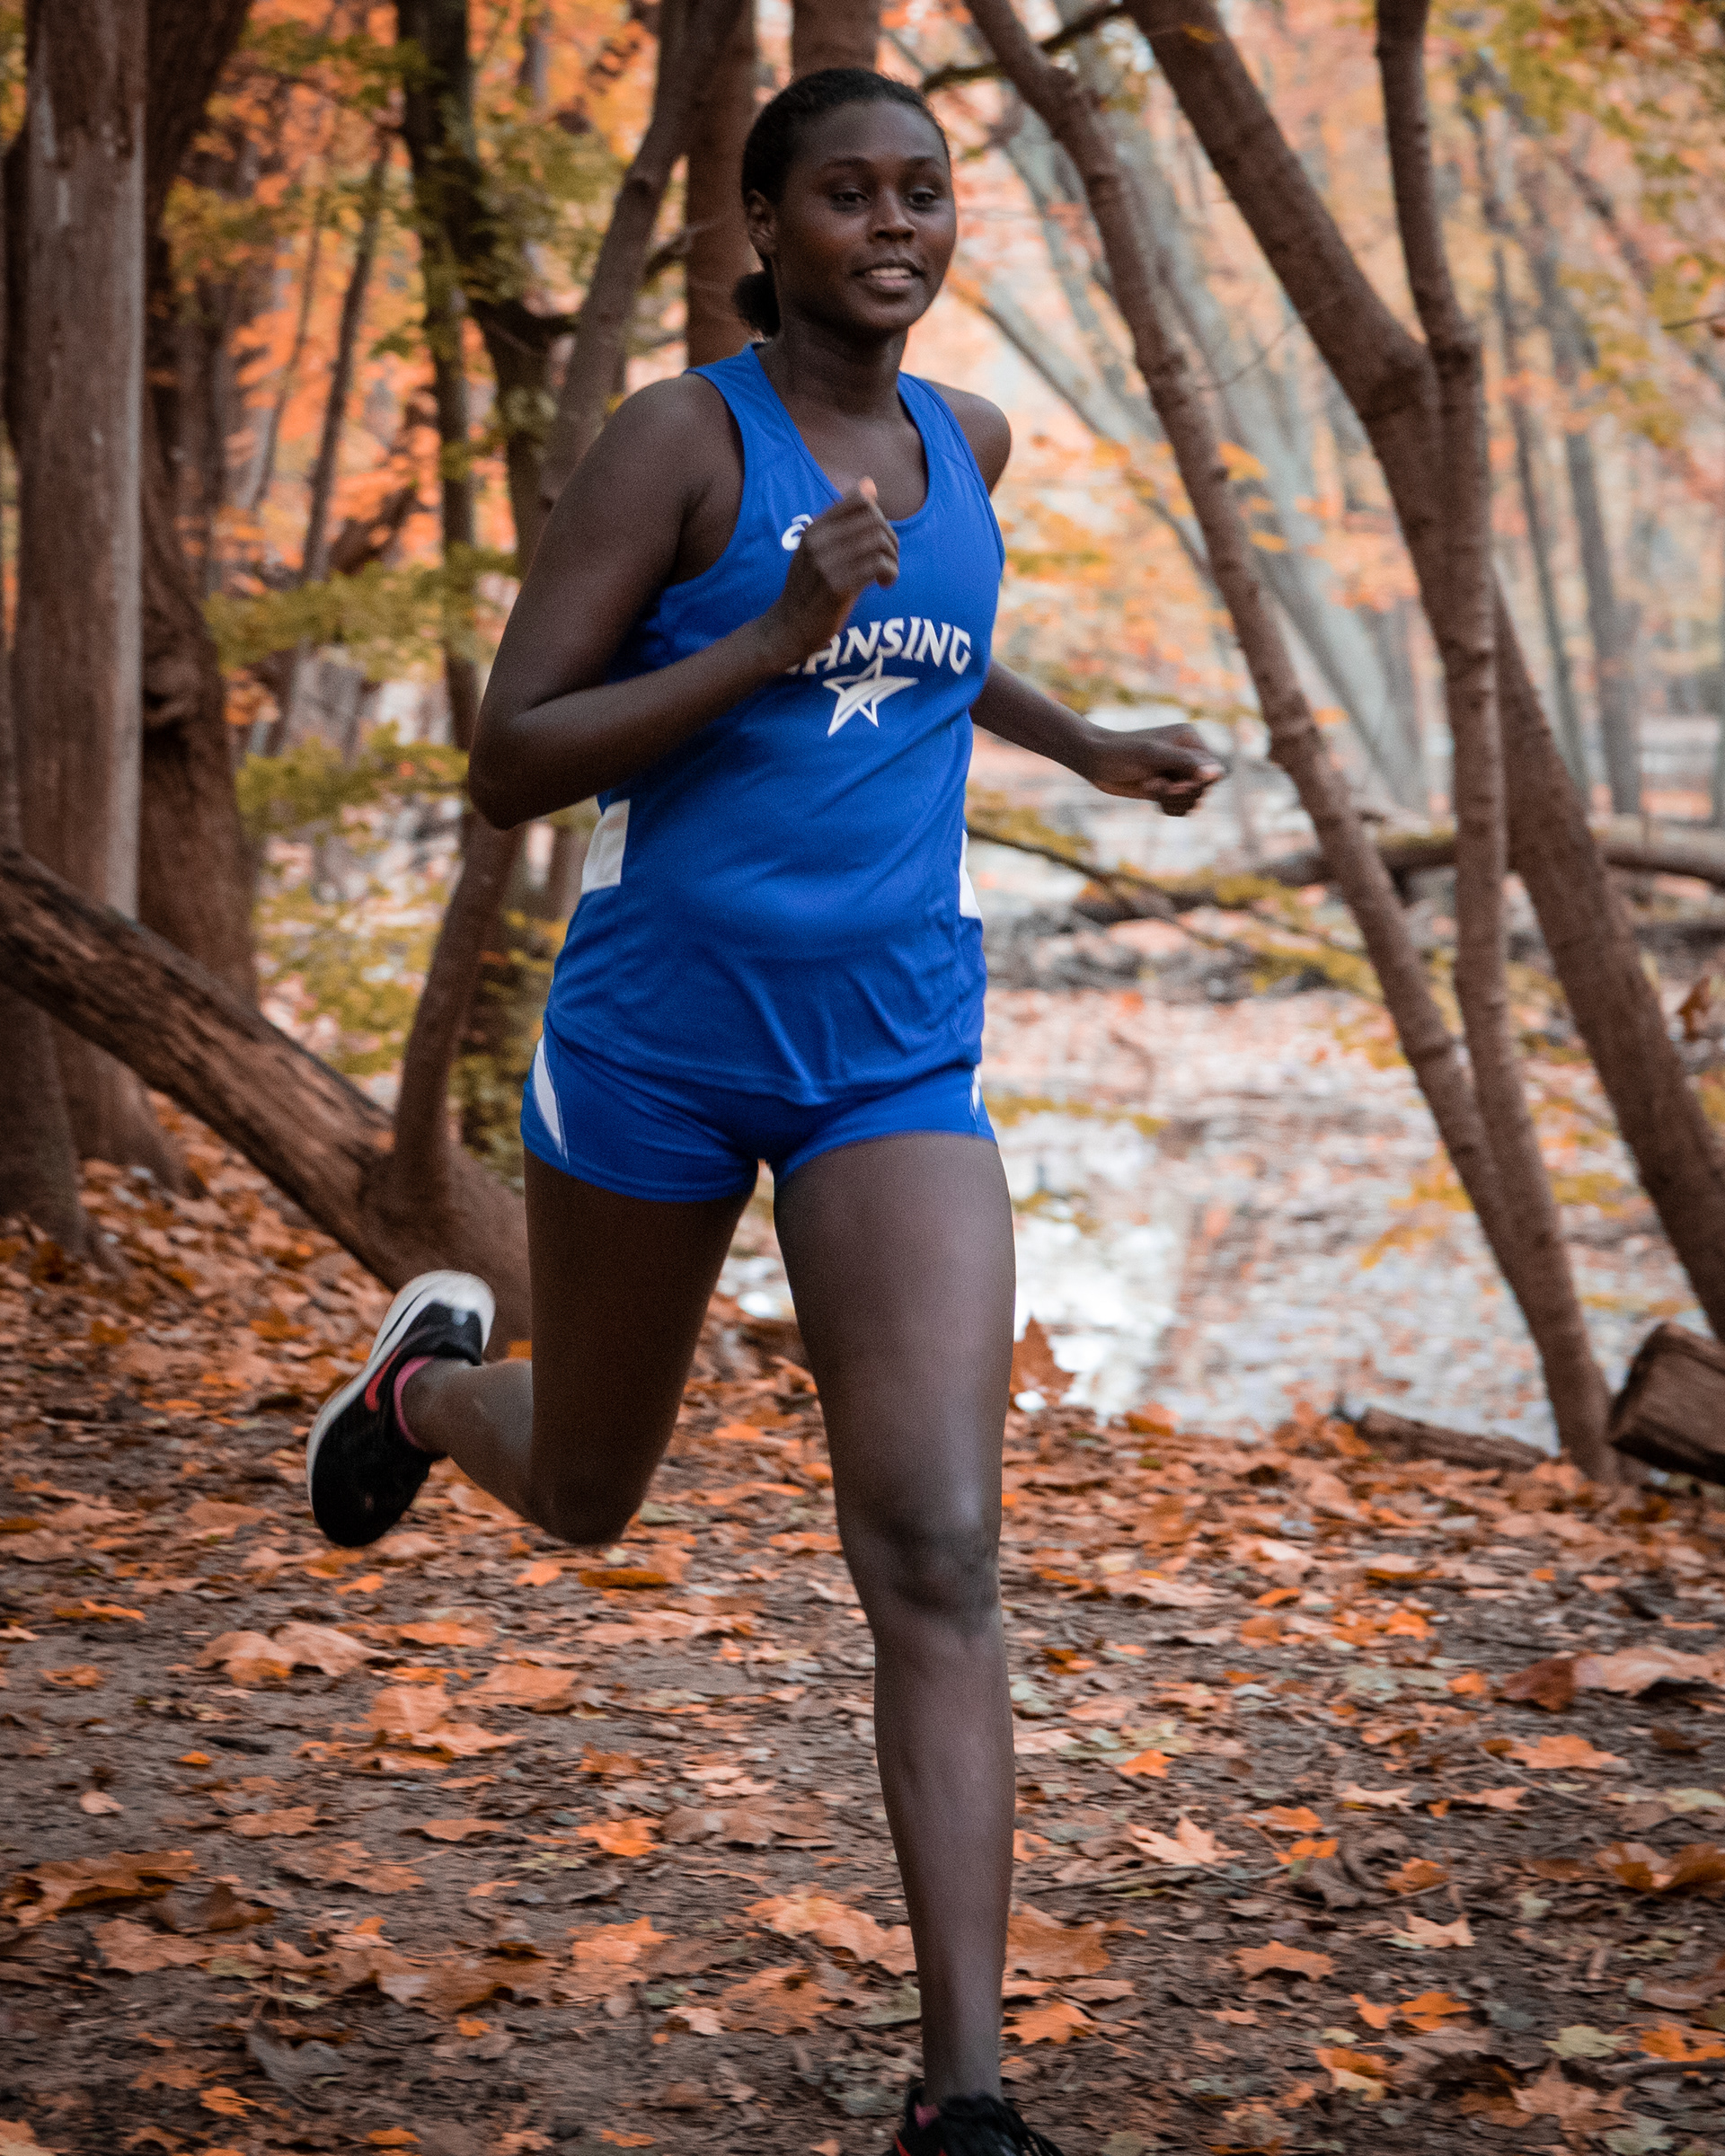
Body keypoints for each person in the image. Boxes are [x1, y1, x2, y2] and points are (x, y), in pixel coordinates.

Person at [306, 66, 1221, 2156]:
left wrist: (1087, 745)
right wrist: (775, 631)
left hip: (893, 1056)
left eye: (925, 192)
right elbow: (512, 758)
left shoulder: (967, 439)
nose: (893, 225)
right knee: (590, 1490)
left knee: (941, 1544)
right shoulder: (681, 443)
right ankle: (426, 1394)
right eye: (847, 194)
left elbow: (933, 642)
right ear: (765, 224)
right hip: (656, 1044)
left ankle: (965, 2098)